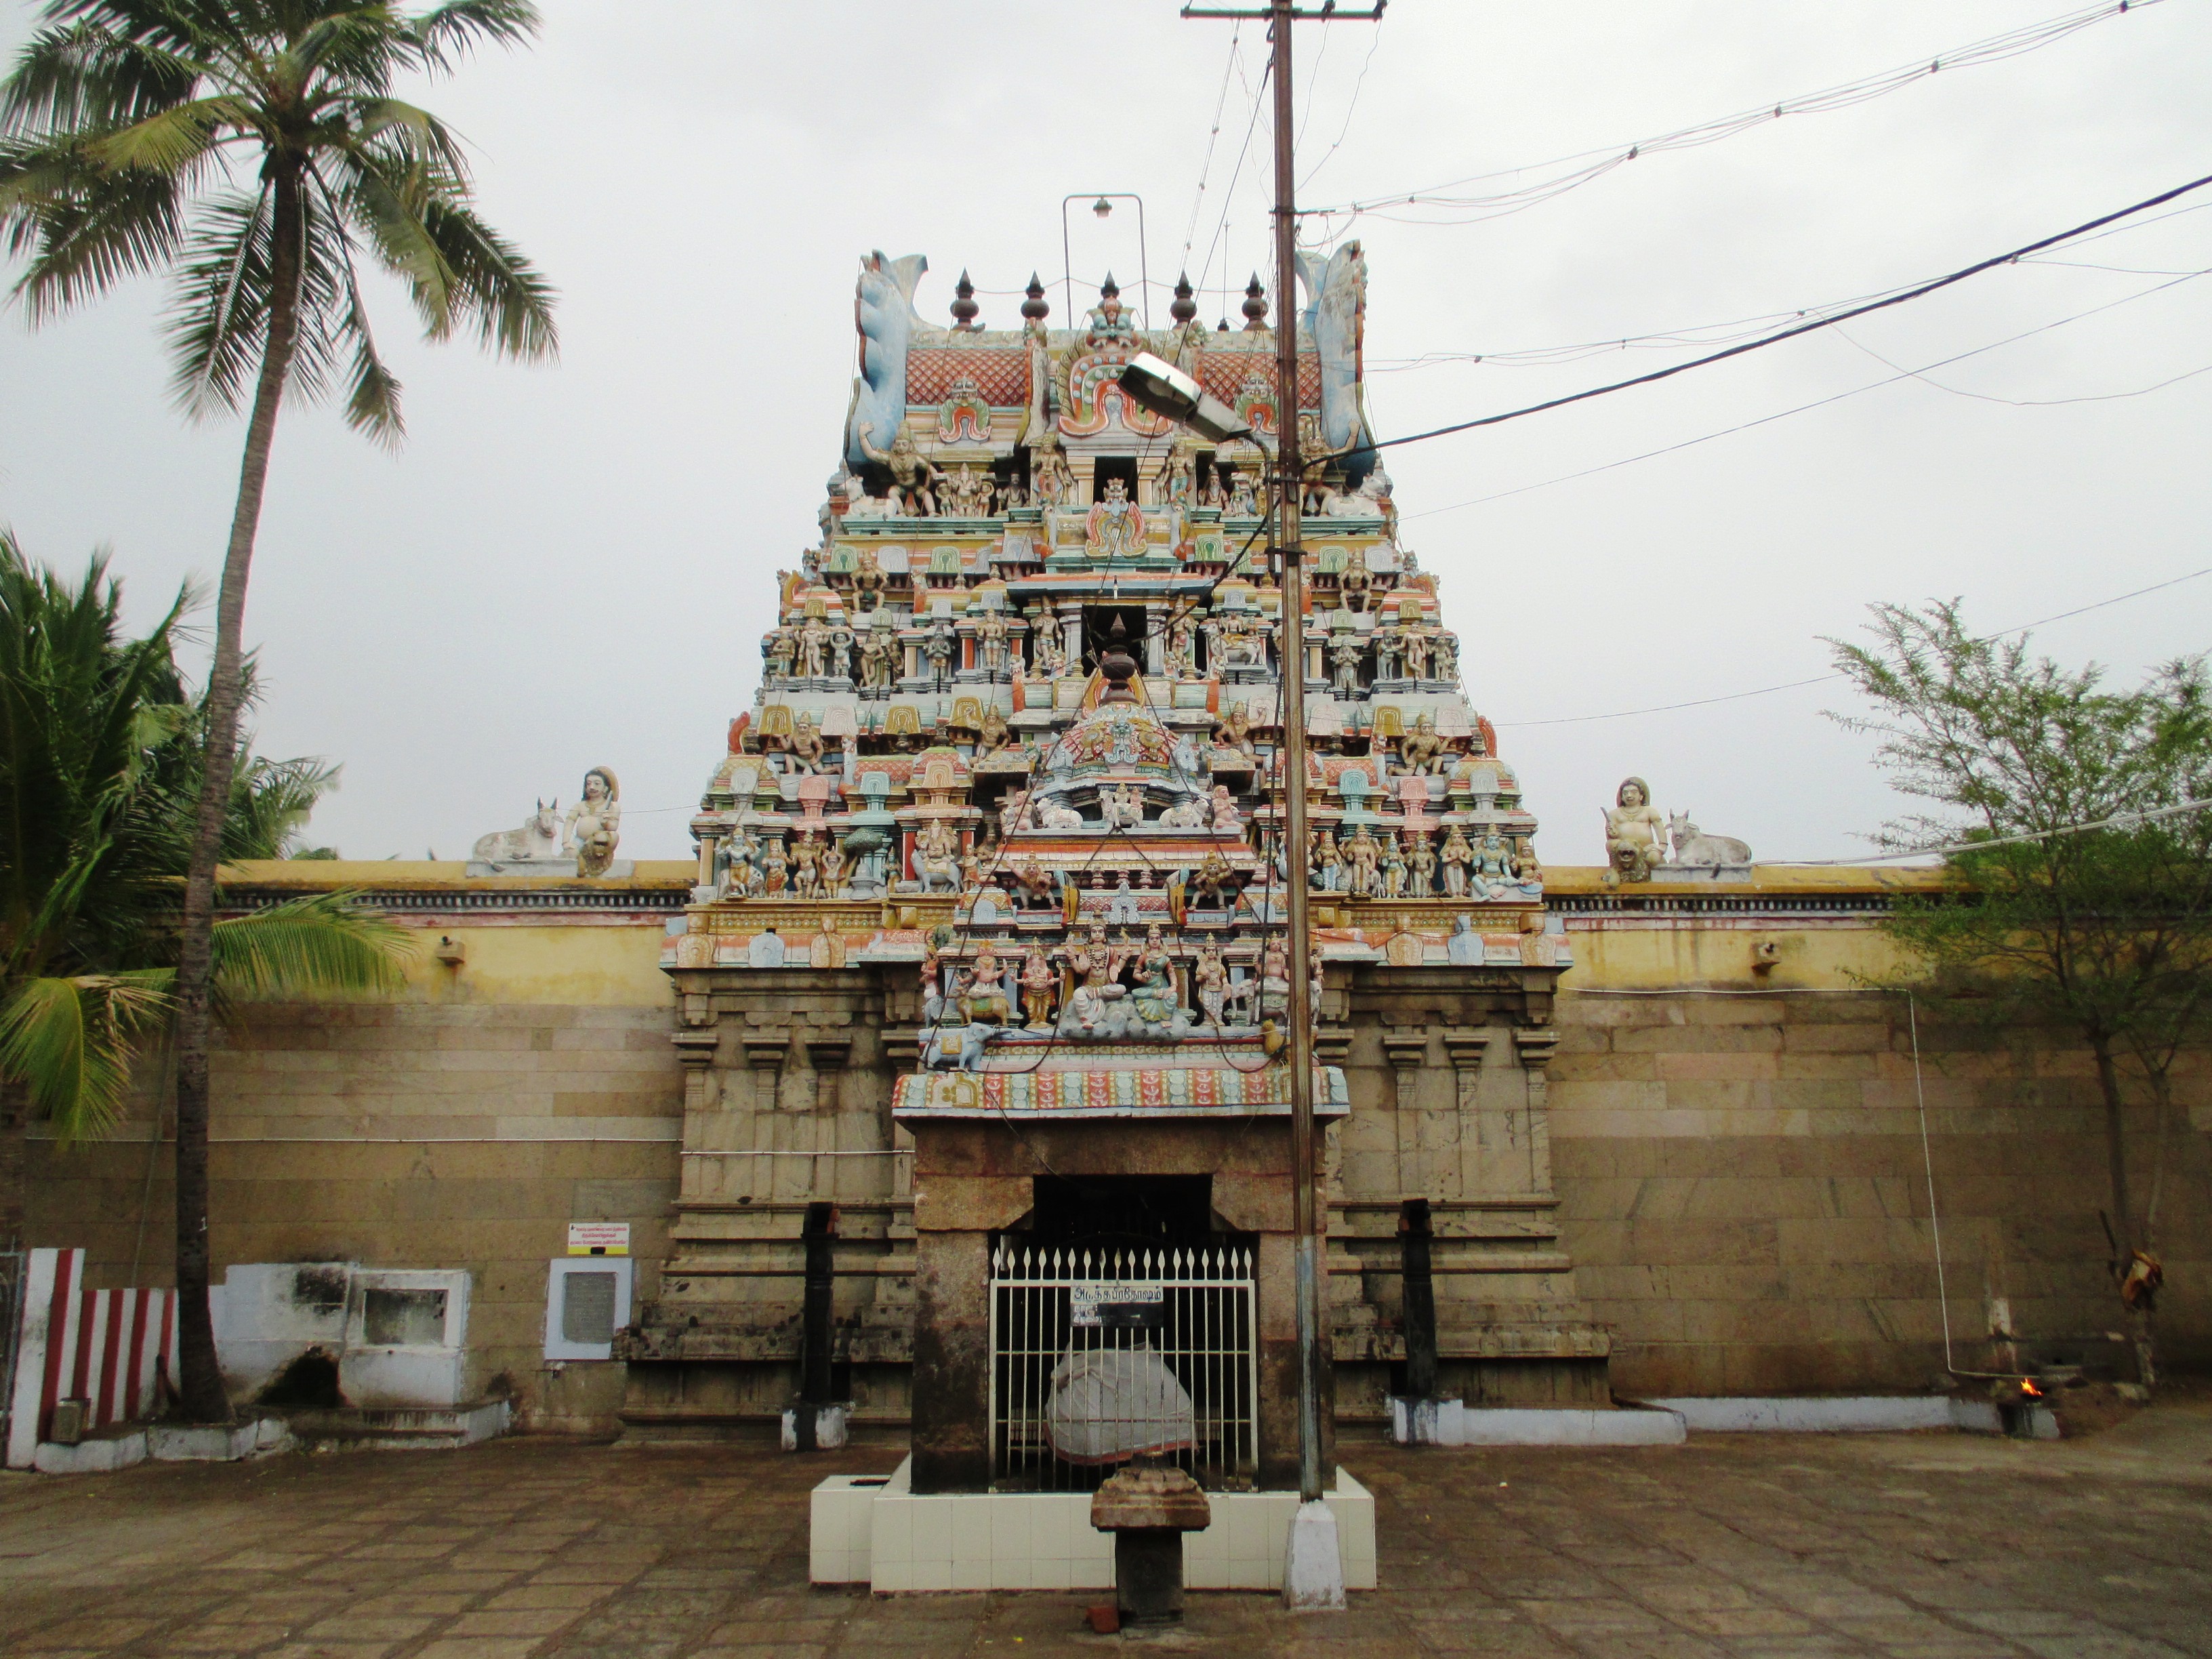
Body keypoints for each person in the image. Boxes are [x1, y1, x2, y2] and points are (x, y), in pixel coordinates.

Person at [565, 768, 621, 877]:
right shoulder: (580, 806)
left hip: (598, 842)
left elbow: (613, 827)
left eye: (597, 784)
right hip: (580, 841)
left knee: (611, 836)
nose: (592, 787)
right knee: (571, 854)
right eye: (589, 784)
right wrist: (566, 842)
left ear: (605, 788)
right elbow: (569, 822)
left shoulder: (612, 806)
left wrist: (605, 823)